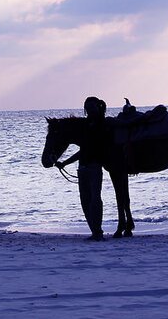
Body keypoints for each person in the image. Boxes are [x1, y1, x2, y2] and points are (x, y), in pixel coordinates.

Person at [55, 96, 109, 241]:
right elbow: (83, 151)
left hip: (94, 167)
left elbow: (85, 149)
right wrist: (65, 163)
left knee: (94, 198)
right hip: (83, 167)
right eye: (87, 108)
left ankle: (98, 232)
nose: (89, 111)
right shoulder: (87, 126)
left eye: (92, 108)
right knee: (85, 199)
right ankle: (95, 231)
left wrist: (65, 162)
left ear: (98, 108)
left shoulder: (101, 125)